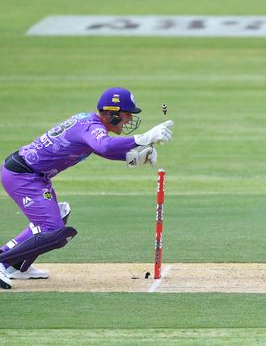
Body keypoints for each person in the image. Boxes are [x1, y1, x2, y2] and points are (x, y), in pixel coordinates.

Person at [0, 87, 174, 289]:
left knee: (59, 214)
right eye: (127, 114)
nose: (128, 120)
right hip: (23, 176)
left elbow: (103, 149)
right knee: (53, 229)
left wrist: (135, 158)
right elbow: (105, 147)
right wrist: (142, 138)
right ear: (112, 113)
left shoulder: (90, 124)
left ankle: (18, 266)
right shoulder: (90, 127)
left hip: (34, 176)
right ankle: (3, 260)